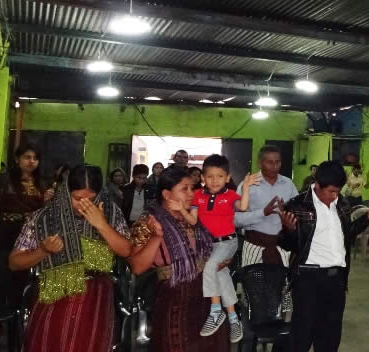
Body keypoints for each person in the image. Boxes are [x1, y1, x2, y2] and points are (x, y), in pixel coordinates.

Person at [9, 164, 131, 352]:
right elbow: (14, 262)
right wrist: (43, 250)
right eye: (77, 198)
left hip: (95, 301)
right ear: (66, 191)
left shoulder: (112, 214)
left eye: (91, 199)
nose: (84, 205)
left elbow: (126, 251)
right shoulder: (44, 217)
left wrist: (101, 224)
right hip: (54, 299)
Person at [277, 161, 369, 352]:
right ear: (317, 185)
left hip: (336, 279)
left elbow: (347, 234)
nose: (335, 196)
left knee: (330, 336)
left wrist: (367, 219)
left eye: (338, 191)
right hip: (308, 279)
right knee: (302, 335)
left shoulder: (341, 203)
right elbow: (287, 245)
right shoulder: (297, 205)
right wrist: (289, 231)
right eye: (331, 191)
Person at [128, 167, 230, 352]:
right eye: (185, 189)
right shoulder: (149, 221)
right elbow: (137, 267)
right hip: (175, 297)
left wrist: (219, 260)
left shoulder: (195, 216)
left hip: (207, 292)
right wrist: (156, 237)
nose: (191, 193)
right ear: (167, 194)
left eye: (193, 188)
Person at [177, 154, 250, 343]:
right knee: (221, 275)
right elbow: (193, 220)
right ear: (202, 177)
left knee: (210, 267)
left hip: (227, 242)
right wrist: (181, 208)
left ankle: (216, 311)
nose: (215, 180)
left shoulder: (230, 195)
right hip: (209, 244)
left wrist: (246, 188)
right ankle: (233, 318)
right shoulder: (198, 196)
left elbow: (243, 207)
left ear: (227, 177)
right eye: (210, 176)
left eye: (220, 176)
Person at [0, 144, 55, 308]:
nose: (32, 161)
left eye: (35, 158)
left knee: (25, 277)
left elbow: (46, 215)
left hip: (30, 235)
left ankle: (21, 311)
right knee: (0, 273)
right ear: (17, 159)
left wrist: (47, 201)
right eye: (27, 157)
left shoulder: (43, 183)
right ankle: (0, 314)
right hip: (5, 232)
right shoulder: (2, 180)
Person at [235, 146, 299, 267]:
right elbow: (235, 220)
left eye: (278, 162)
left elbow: (297, 213)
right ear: (260, 163)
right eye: (269, 162)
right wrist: (263, 212)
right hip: (255, 245)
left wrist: (286, 212)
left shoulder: (288, 184)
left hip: (282, 247)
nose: (274, 166)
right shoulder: (248, 185)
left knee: (281, 279)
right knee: (253, 279)